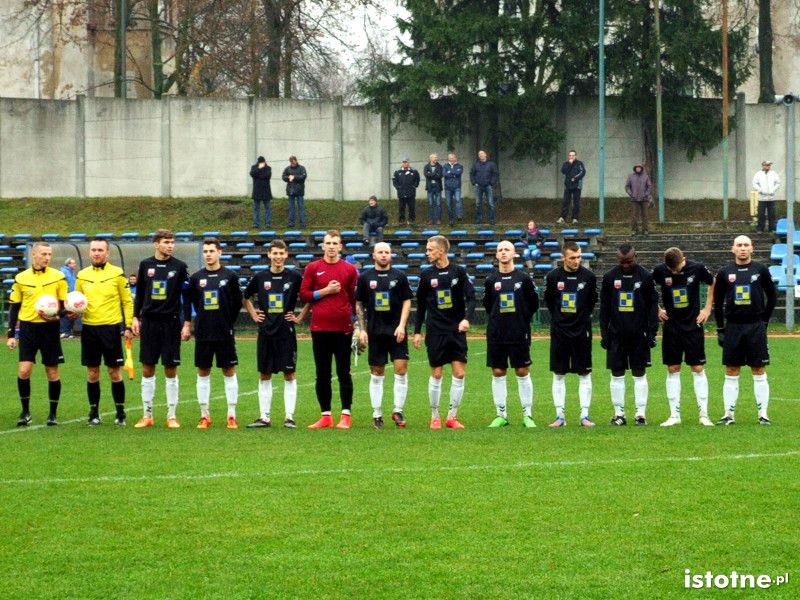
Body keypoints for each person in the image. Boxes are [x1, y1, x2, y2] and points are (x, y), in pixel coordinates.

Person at [243, 239, 308, 429]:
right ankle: (264, 417)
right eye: (275, 254)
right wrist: (254, 314)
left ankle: (289, 417)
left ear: (286, 255)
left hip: (286, 331)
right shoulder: (260, 277)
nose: (278, 257)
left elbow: (308, 298)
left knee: (289, 373)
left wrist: (300, 316)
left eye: (282, 254)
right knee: (265, 374)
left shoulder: (295, 277)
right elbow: (245, 297)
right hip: (265, 331)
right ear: (269, 255)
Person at [713, 235, 777, 425]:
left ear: (752, 248)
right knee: (732, 369)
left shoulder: (761, 269)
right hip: (733, 326)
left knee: (758, 368)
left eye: (746, 245)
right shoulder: (725, 272)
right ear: (732, 249)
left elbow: (772, 296)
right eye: (739, 245)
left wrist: (764, 321)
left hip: (755, 325)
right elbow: (718, 303)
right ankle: (728, 415)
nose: (742, 248)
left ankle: (763, 415)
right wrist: (720, 328)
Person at [413, 235, 476, 429]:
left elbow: (472, 298)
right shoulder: (425, 275)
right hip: (435, 331)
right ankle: (435, 416)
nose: (427, 252)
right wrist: (417, 331)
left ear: (441, 251)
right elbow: (421, 305)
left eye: (430, 249)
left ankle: (452, 416)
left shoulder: (459, 272)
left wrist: (467, 319)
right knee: (437, 374)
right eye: (427, 249)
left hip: (456, 331)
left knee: (459, 373)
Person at [300, 230, 359, 429]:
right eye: (328, 243)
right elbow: (304, 295)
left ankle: (346, 415)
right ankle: (326, 415)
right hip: (319, 329)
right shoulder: (313, 268)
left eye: (335, 243)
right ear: (323, 246)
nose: (331, 246)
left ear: (340, 246)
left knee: (344, 372)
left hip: (343, 329)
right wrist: (325, 291)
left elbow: (354, 299)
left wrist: (358, 324)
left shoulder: (349, 270)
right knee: (322, 373)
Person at [131, 229, 190, 429]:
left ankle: (171, 415)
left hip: (171, 322)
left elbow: (187, 295)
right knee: (147, 367)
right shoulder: (145, 265)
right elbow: (139, 294)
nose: (170, 246)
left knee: (170, 368)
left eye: (172, 242)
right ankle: (147, 415)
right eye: (166, 242)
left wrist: (187, 322)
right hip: (149, 322)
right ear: (156, 244)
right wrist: (134, 317)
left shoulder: (180, 267)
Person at [183, 238, 243, 429]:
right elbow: (189, 303)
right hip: (203, 332)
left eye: (211, 250)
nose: (208, 254)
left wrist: (227, 322)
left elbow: (236, 304)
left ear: (220, 253)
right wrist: (190, 324)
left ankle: (231, 415)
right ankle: (204, 415)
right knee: (203, 371)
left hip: (224, 332)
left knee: (229, 371)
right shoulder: (196, 278)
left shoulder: (230, 276)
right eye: (205, 251)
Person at [6, 241, 67, 426]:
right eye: (43, 254)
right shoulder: (21, 278)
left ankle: (53, 414)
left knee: (52, 371)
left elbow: (64, 307)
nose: (47, 258)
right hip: (28, 329)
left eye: (49, 254)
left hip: (49, 329)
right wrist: (11, 334)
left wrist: (55, 316)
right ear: (34, 255)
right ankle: (25, 412)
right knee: (24, 371)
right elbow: (14, 307)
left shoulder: (59, 277)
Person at [652, 247, 715, 427]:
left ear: (684, 259)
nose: (674, 272)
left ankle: (704, 414)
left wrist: (707, 308)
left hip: (693, 326)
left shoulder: (697, 268)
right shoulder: (660, 271)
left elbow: (713, 282)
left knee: (697, 367)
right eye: (671, 270)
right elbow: (647, 287)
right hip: (671, 327)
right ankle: (674, 415)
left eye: (677, 268)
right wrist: (657, 309)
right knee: (673, 368)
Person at [74, 238, 134, 426]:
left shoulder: (117, 274)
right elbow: (76, 301)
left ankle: (120, 412)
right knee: (92, 373)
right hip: (89, 329)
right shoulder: (82, 275)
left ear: (107, 253)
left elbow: (126, 301)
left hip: (110, 329)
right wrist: (72, 310)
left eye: (100, 250)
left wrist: (129, 325)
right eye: (93, 250)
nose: (97, 253)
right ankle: (93, 412)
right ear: (89, 252)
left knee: (114, 372)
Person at [600, 244, 659, 426]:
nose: (626, 265)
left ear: (636, 256)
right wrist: (604, 334)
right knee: (616, 374)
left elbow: (652, 306)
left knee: (639, 373)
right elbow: (604, 308)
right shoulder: (610, 277)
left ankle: (640, 414)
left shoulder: (646, 277)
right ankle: (619, 414)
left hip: (638, 335)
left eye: (629, 261)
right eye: (622, 261)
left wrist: (652, 332)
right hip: (616, 334)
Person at [356, 242, 412, 429]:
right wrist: (362, 329)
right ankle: (377, 413)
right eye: (380, 252)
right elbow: (359, 304)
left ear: (391, 255)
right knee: (377, 372)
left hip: (396, 331)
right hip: (375, 331)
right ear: (374, 255)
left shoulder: (400, 276)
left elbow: (406, 301)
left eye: (387, 252)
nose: (384, 255)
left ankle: (398, 410)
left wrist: (402, 325)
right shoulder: (365, 277)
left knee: (401, 369)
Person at [483, 240, 539, 428]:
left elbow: (533, 304)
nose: (503, 252)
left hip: (518, 331)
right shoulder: (491, 280)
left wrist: (521, 320)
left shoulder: (523, 279)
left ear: (514, 254)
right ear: (497, 255)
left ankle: (527, 415)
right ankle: (501, 415)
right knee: (498, 371)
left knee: (522, 370)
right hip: (497, 332)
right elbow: (488, 305)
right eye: (500, 250)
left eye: (507, 249)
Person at [543, 241, 597, 427]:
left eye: (579, 257)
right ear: (563, 258)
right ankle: (560, 416)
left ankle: (584, 415)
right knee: (559, 373)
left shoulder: (589, 277)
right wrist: (561, 319)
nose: (576, 261)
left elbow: (591, 302)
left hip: (582, 331)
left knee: (584, 373)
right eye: (572, 257)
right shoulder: (552, 277)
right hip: (560, 331)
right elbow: (550, 302)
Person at [470, 150, 499, 225]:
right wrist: (474, 182)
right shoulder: (476, 164)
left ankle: (492, 220)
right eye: (479, 154)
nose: (481, 155)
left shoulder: (491, 164)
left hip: (488, 186)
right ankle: (478, 220)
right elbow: (471, 174)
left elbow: (495, 174)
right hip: (478, 187)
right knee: (478, 204)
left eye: (482, 154)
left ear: (485, 155)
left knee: (491, 203)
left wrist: (491, 183)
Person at [625, 163, 653, 236]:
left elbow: (649, 186)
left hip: (644, 199)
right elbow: (627, 186)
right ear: (635, 169)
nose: (638, 169)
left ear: (641, 168)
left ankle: (645, 230)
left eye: (639, 167)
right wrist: (631, 194)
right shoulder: (631, 176)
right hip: (634, 199)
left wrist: (646, 194)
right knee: (634, 216)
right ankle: (634, 230)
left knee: (645, 216)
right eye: (636, 168)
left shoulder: (646, 176)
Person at [752, 160, 780, 232]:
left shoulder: (774, 174)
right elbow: (754, 183)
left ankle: (772, 229)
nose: (768, 166)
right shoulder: (758, 174)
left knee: (772, 214)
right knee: (761, 214)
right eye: (767, 165)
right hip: (762, 198)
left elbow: (778, 183)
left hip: (771, 198)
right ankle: (760, 229)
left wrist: (773, 190)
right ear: (763, 166)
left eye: (769, 165)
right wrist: (760, 190)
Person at [559, 150, 586, 224]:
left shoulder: (579, 163)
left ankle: (575, 218)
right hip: (568, 186)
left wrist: (575, 178)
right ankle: (562, 218)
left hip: (577, 186)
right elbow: (563, 171)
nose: (571, 157)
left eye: (573, 155)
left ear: (575, 156)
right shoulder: (566, 164)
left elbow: (582, 172)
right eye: (570, 155)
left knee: (576, 202)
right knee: (565, 202)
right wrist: (569, 164)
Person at [392, 158, 420, 226]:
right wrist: (398, 188)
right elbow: (394, 181)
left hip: (411, 193)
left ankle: (411, 220)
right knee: (401, 207)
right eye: (404, 162)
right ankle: (401, 221)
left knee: (411, 207)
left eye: (406, 162)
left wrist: (414, 186)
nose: (405, 164)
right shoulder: (397, 172)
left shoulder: (414, 171)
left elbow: (417, 180)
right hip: (401, 193)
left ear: (409, 163)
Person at [282, 155, 307, 228]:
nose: (292, 163)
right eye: (291, 162)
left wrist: (294, 177)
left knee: (301, 207)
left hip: (300, 190)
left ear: (296, 161)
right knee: (291, 208)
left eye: (293, 162)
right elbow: (283, 177)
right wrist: (288, 178)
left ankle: (302, 223)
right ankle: (291, 223)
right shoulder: (287, 169)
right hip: (291, 190)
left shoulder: (302, 168)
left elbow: (303, 176)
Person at [250, 155, 273, 228]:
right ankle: (256, 224)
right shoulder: (254, 167)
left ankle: (268, 223)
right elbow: (252, 174)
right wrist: (259, 169)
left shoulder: (268, 168)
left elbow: (267, 176)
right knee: (256, 208)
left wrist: (259, 175)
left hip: (266, 191)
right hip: (257, 191)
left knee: (268, 208)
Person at [443, 152, 464, 226]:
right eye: (450, 158)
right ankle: (451, 219)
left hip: (457, 187)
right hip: (448, 188)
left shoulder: (460, 166)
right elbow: (444, 174)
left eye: (453, 158)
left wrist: (450, 172)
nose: (451, 159)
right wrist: (454, 173)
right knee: (449, 204)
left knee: (458, 200)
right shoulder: (445, 166)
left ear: (455, 158)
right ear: (448, 159)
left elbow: (459, 173)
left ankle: (459, 216)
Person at [423, 153, 444, 225]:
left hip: (437, 187)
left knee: (438, 204)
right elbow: (426, 175)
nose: (436, 159)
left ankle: (439, 219)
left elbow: (440, 176)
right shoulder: (426, 166)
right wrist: (435, 174)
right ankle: (431, 220)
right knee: (431, 204)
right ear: (431, 159)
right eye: (435, 157)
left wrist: (431, 174)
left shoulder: (440, 166)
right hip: (430, 188)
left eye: (436, 157)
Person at [59, 257, 77, 338]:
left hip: (72, 296)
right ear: (68, 264)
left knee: (72, 313)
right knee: (65, 313)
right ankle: (64, 331)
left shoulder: (72, 272)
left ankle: (70, 331)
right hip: (66, 295)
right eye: (73, 263)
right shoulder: (63, 271)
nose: (75, 264)